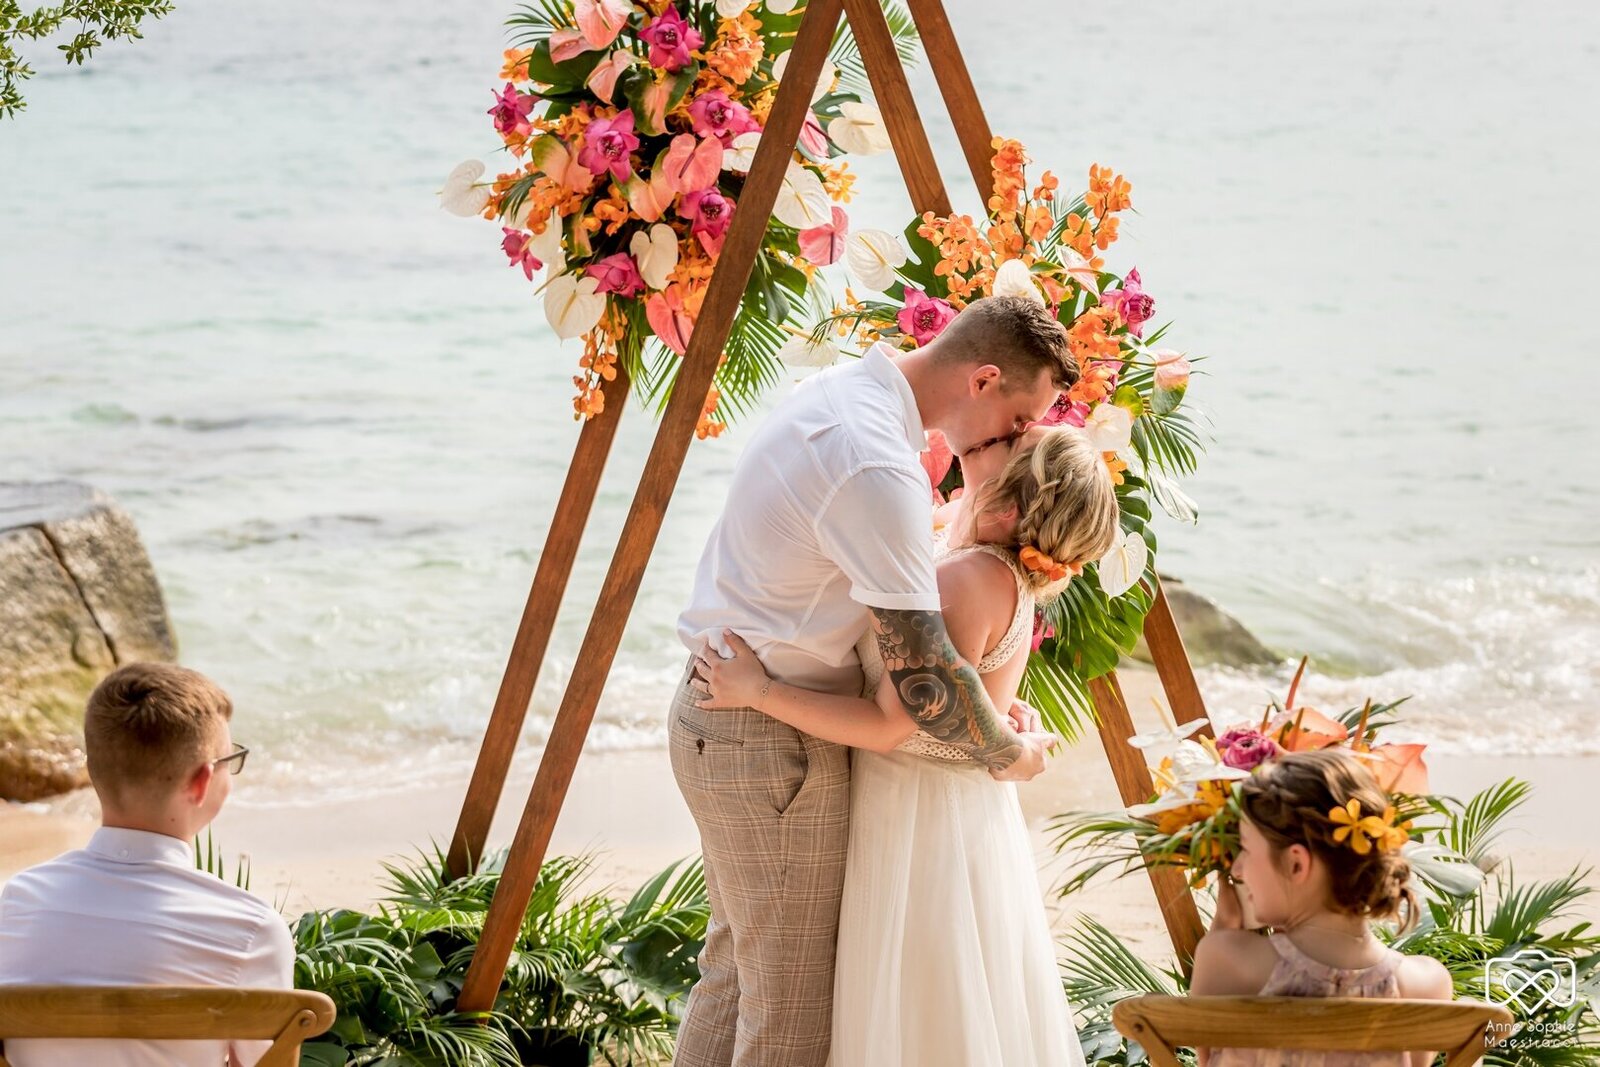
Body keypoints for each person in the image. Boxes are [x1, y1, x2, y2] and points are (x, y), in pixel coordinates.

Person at [670, 295, 1078, 1067]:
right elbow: (923, 689)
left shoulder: (836, 393)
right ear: (984, 379)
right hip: (769, 740)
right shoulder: (876, 465)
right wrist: (1010, 753)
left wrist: (988, 690)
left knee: (732, 980)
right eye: (1025, 417)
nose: (1027, 438)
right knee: (788, 1013)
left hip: (722, 715)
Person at [0, 663, 294, 1067]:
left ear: (92, 769)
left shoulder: (17, 905)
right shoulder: (251, 931)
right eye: (232, 758)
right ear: (202, 782)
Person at [1190, 749, 1454, 1067]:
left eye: (1245, 849)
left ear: (1296, 864)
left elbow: (1206, 1060)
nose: (1237, 870)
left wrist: (1223, 927)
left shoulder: (1229, 959)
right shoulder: (1425, 985)